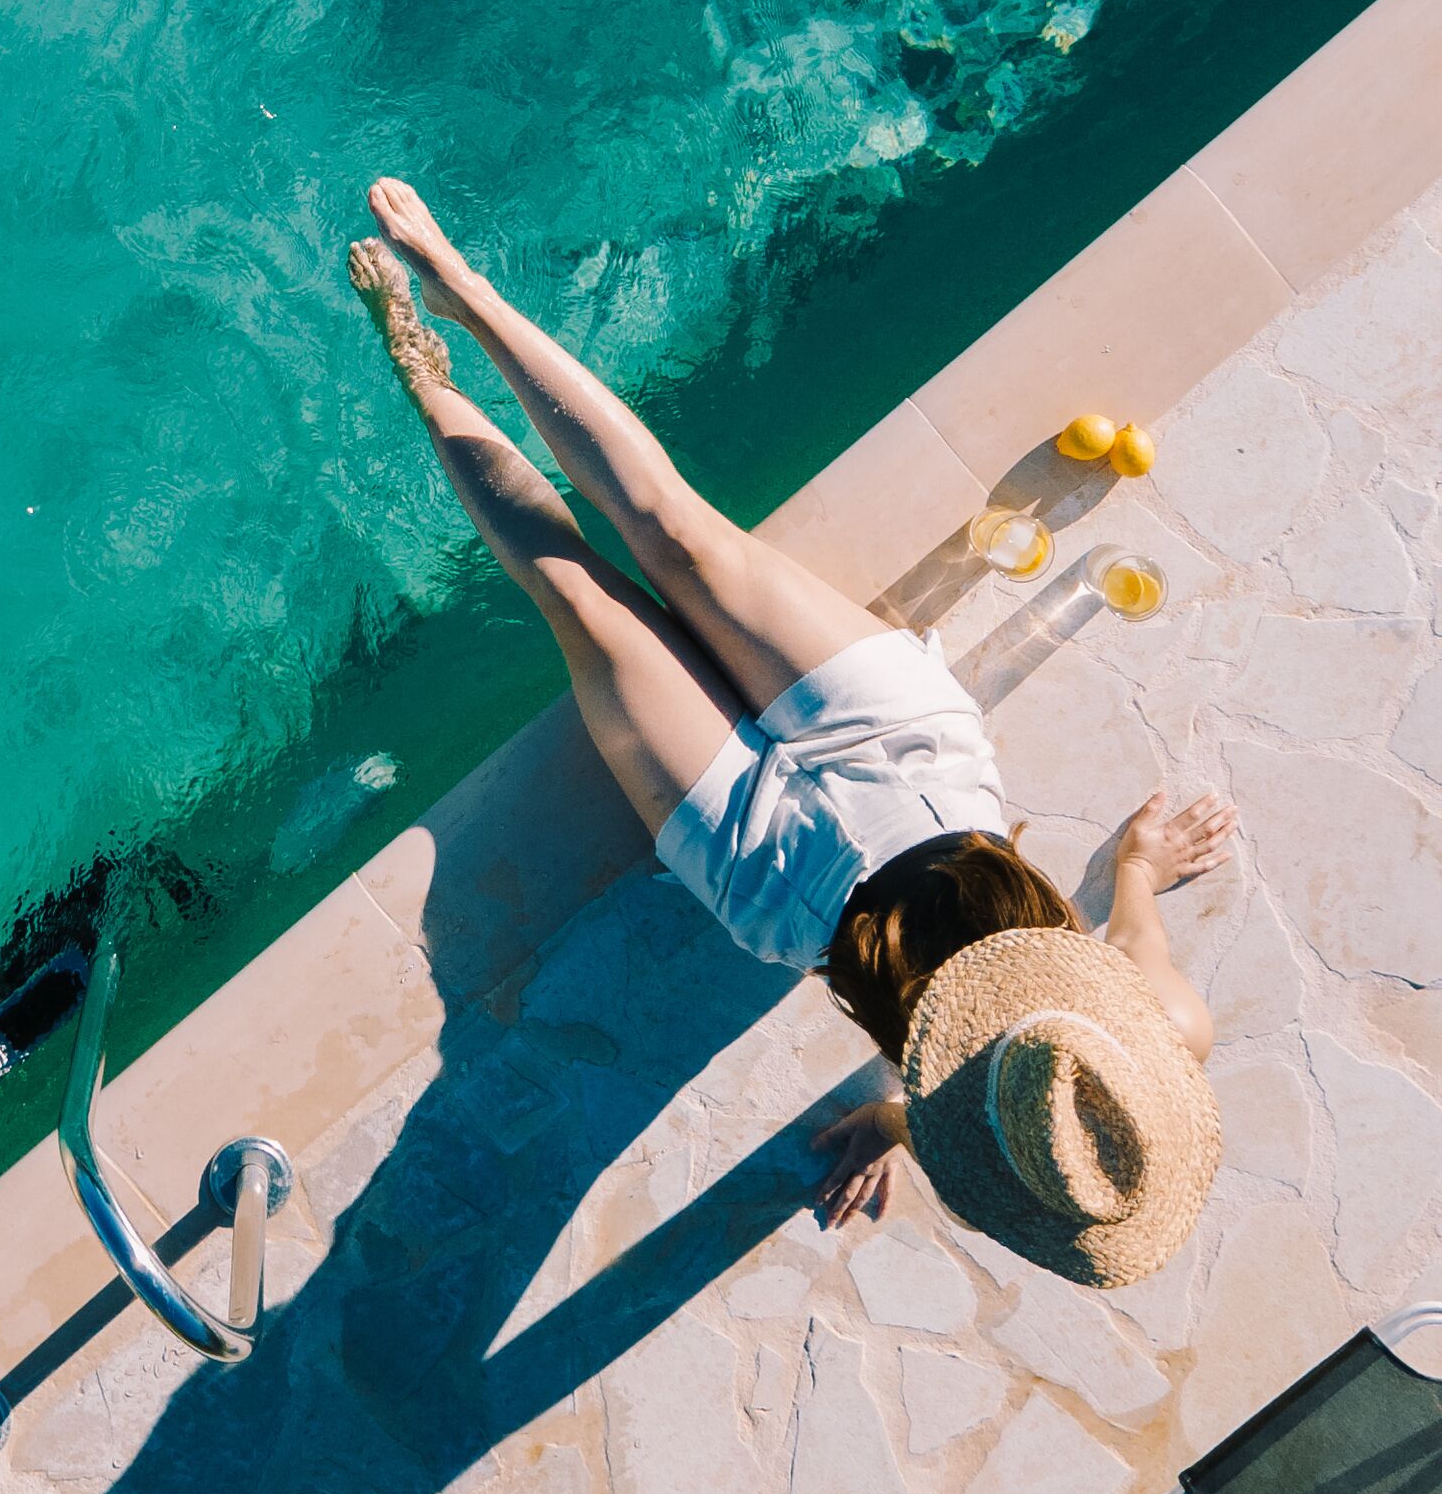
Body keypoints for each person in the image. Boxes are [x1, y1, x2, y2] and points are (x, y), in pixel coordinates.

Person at [350, 181, 1231, 1287]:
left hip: (782, 883)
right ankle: (467, 294)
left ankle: (421, 366)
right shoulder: (1168, 1025)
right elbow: (1137, 928)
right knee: (679, 537)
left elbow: (958, 1097)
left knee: (580, 595)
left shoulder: (1016, 1155)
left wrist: (896, 1121)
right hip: (918, 770)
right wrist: (1141, 865)